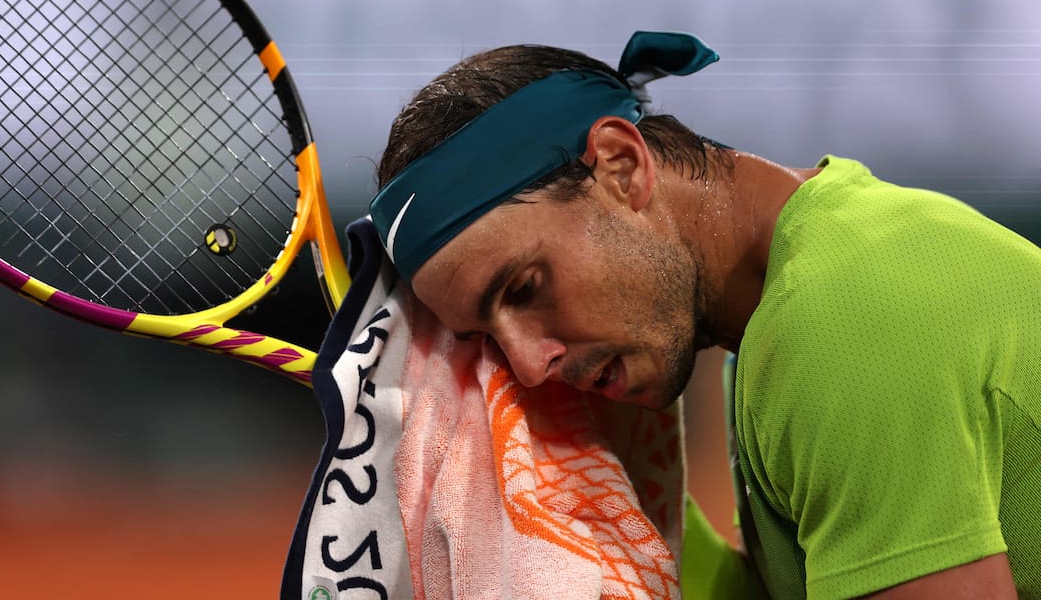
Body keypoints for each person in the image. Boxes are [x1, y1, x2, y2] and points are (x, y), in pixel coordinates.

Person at [367, 31, 1040, 600]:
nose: (526, 366)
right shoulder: (822, 270)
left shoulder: (838, 327)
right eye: (485, 338)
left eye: (524, 288)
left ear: (622, 167)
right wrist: (601, 508)